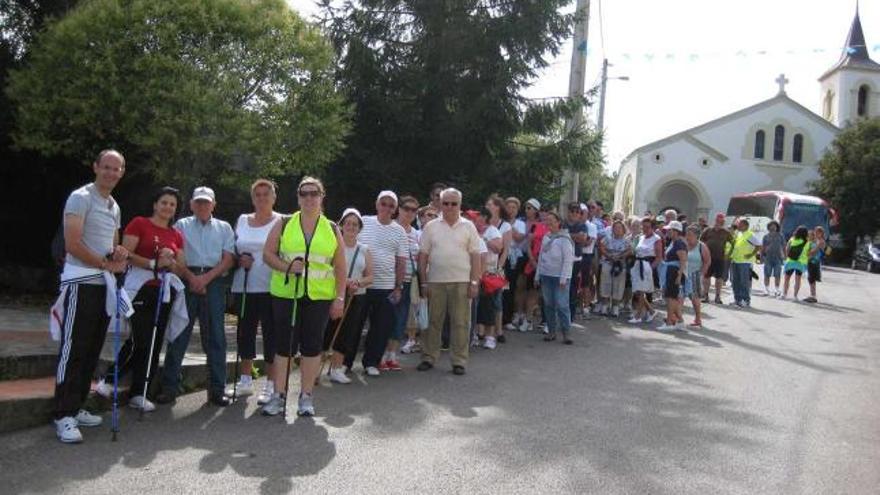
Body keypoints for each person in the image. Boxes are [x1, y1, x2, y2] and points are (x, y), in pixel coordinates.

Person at [49, 150, 129, 443]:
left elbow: (112, 244)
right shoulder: (80, 197)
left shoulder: (114, 205)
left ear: (121, 172)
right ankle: (62, 415)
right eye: (105, 167)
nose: (110, 172)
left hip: (102, 285)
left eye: (116, 168)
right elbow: (73, 243)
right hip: (80, 282)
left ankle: (77, 405)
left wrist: (118, 253)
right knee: (73, 349)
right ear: (95, 167)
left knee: (93, 348)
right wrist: (106, 263)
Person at [95, 187, 187, 413]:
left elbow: (181, 269)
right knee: (140, 339)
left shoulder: (176, 234)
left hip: (163, 292)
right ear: (155, 204)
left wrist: (171, 261)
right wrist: (153, 263)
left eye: (172, 204)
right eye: (164, 202)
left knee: (155, 342)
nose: (167, 207)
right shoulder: (140, 223)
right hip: (140, 289)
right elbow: (125, 253)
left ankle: (140, 392)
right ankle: (108, 379)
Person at [261, 177, 346, 416]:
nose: (309, 198)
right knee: (284, 347)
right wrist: (286, 267)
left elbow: (340, 266)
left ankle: (306, 396)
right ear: (298, 197)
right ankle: (278, 396)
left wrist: (339, 298)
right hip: (287, 294)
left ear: (322, 197)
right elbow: (267, 254)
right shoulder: (284, 222)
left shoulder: (331, 228)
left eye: (314, 193)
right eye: (304, 193)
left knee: (312, 347)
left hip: (318, 297)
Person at [158, 187, 235, 407]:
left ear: (213, 204)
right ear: (192, 204)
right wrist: (192, 278)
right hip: (186, 278)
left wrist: (205, 279)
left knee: (216, 339)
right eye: (198, 202)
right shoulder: (180, 226)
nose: (202, 206)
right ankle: (170, 388)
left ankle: (217, 390)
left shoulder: (224, 227)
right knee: (179, 334)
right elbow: (174, 256)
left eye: (206, 202)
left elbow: (228, 259)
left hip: (214, 282)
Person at [416, 188, 482, 375]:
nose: (450, 207)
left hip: (462, 282)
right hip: (435, 282)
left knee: (460, 322)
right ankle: (429, 357)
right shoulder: (430, 227)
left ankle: (459, 361)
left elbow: (476, 256)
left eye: (454, 203)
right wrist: (423, 282)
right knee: (433, 322)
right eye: (446, 203)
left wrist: (474, 282)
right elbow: (423, 257)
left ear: (460, 205)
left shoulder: (469, 226)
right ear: (440, 204)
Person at [229, 179, 281, 404]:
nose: (261, 198)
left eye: (265, 194)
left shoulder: (282, 221)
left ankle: (271, 384)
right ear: (252, 198)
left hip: (271, 287)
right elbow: (232, 249)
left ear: (273, 197)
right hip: (245, 285)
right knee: (245, 333)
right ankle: (245, 380)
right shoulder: (242, 220)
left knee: (271, 336)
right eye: (257, 195)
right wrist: (240, 259)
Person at [358, 191, 408, 376]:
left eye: (391, 205)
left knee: (380, 327)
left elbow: (401, 261)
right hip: (361, 284)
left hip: (386, 285)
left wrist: (398, 286)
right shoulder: (363, 221)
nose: (386, 208)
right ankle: (344, 363)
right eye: (383, 203)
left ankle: (371, 362)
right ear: (377, 204)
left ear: (395, 210)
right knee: (355, 325)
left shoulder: (399, 231)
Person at [327, 208, 373, 383]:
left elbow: (370, 276)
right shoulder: (333, 246)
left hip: (356, 296)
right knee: (327, 331)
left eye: (355, 224)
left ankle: (337, 368)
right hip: (333, 294)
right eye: (348, 223)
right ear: (341, 225)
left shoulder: (364, 249)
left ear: (360, 228)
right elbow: (327, 269)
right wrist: (344, 282)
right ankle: (317, 368)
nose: (351, 227)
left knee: (346, 332)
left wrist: (358, 283)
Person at [383, 195, 420, 368]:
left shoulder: (416, 233)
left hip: (408, 282)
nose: (410, 213)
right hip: (389, 281)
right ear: (400, 209)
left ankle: (392, 355)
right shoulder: (390, 227)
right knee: (386, 318)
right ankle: (381, 354)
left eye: (414, 210)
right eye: (407, 208)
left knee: (400, 319)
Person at [401, 206, 438, 354]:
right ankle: (411, 339)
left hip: (436, 276)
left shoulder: (441, 235)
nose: (431, 218)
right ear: (421, 218)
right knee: (414, 307)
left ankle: (427, 341)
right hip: (418, 276)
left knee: (432, 310)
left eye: (435, 215)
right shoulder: (416, 234)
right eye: (428, 215)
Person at [535, 211, 575, 344]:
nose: (549, 222)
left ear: (559, 222)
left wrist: (564, 278)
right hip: (546, 275)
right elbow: (541, 256)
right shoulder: (546, 237)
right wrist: (537, 274)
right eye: (547, 220)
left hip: (560, 277)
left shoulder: (565, 239)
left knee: (562, 305)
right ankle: (551, 332)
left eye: (552, 220)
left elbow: (568, 260)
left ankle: (566, 333)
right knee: (549, 304)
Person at [471, 207, 503, 349]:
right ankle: (476, 334)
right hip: (474, 272)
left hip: (490, 272)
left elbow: (498, 248)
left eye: (478, 216)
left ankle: (490, 337)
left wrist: (483, 239)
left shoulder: (493, 231)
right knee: (475, 306)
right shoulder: (470, 230)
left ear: (484, 217)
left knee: (490, 306)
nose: (475, 219)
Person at [628, 216, 663, 324]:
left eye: (647, 227)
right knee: (638, 291)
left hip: (647, 265)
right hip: (638, 264)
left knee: (642, 291)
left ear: (652, 227)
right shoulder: (641, 237)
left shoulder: (656, 239)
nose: (645, 229)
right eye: (643, 227)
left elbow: (658, 257)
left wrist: (650, 269)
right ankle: (651, 311)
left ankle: (638, 316)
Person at [484, 195, 509, 343]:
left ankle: (499, 330)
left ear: (498, 207)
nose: (487, 206)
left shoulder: (505, 226)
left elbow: (505, 250)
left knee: (497, 300)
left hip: (497, 267)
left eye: (490, 204)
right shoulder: (482, 223)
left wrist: (499, 267)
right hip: (483, 266)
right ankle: (482, 331)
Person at [522, 198, 548, 331]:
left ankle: (547, 322)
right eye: (542, 211)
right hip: (533, 263)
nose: (544, 214)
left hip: (547, 265)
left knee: (546, 295)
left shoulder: (552, 227)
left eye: (546, 212)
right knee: (532, 293)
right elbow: (528, 245)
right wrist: (532, 259)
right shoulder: (534, 226)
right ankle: (528, 320)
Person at [502, 197, 528, 331]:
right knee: (500, 286)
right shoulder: (500, 221)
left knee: (510, 287)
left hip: (514, 258)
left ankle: (507, 318)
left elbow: (519, 238)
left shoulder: (520, 224)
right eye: (509, 207)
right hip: (501, 256)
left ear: (517, 210)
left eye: (514, 208)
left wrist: (509, 228)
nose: (511, 210)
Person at [657, 221, 688, 331]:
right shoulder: (674, 242)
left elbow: (683, 260)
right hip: (670, 271)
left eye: (670, 230)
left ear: (676, 231)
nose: (668, 232)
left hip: (675, 272)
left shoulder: (679, 243)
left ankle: (670, 322)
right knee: (670, 297)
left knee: (671, 298)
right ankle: (680, 321)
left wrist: (679, 276)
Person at [598, 220, 631, 317]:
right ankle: (605, 305)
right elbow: (602, 247)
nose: (617, 230)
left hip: (620, 265)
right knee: (605, 283)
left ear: (623, 229)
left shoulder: (627, 240)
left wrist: (620, 257)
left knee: (618, 285)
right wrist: (609, 256)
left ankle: (615, 307)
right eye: (615, 228)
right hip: (608, 262)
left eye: (620, 228)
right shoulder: (607, 238)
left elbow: (630, 250)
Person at [700, 213, 734, 304]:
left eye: (721, 221)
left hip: (720, 258)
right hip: (708, 258)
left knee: (719, 278)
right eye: (718, 221)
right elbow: (701, 241)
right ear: (715, 221)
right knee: (706, 276)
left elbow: (733, 243)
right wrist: (702, 253)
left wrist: (729, 254)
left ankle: (717, 297)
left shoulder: (726, 232)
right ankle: (706, 295)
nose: (719, 223)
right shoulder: (707, 230)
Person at [683, 225, 710, 328]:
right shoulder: (684, 245)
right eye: (687, 234)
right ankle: (676, 318)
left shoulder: (701, 246)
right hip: (684, 274)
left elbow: (707, 261)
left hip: (695, 274)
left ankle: (698, 319)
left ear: (696, 236)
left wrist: (701, 274)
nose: (687, 237)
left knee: (694, 298)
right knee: (680, 297)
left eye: (690, 235)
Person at [729, 218, 760, 308]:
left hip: (745, 262)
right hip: (736, 260)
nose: (738, 226)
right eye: (738, 224)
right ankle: (737, 299)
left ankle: (745, 300)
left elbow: (758, 245)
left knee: (744, 281)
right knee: (735, 281)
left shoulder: (749, 235)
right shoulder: (739, 234)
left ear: (746, 226)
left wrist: (751, 254)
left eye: (740, 225)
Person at [564, 202, 588, 318]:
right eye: (572, 211)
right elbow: (559, 235)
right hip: (562, 260)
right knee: (562, 286)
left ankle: (570, 316)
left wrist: (567, 235)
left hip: (576, 260)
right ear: (568, 212)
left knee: (573, 288)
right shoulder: (562, 224)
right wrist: (574, 236)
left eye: (578, 212)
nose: (575, 214)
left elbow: (582, 239)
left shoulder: (583, 225)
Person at [782, 226, 810, 301]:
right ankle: (795, 296)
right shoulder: (807, 242)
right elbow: (808, 252)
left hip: (790, 261)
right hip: (801, 263)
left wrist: (786, 257)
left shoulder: (792, 239)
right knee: (798, 280)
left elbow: (787, 249)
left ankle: (784, 294)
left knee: (786, 279)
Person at [760, 220, 785, 297]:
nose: (773, 227)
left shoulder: (780, 236)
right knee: (767, 274)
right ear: (768, 227)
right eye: (771, 225)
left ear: (777, 227)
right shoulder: (765, 236)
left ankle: (777, 289)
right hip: (768, 258)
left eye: (774, 225)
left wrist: (785, 256)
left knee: (777, 274)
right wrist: (761, 257)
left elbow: (784, 246)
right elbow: (762, 248)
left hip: (778, 258)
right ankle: (766, 289)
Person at [804, 226, 827, 303]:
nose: (817, 233)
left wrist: (809, 253)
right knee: (810, 278)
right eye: (816, 231)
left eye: (819, 232)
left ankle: (813, 296)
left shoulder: (821, 241)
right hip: (811, 261)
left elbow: (814, 251)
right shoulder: (815, 240)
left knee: (812, 278)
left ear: (822, 233)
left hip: (815, 262)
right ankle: (812, 295)